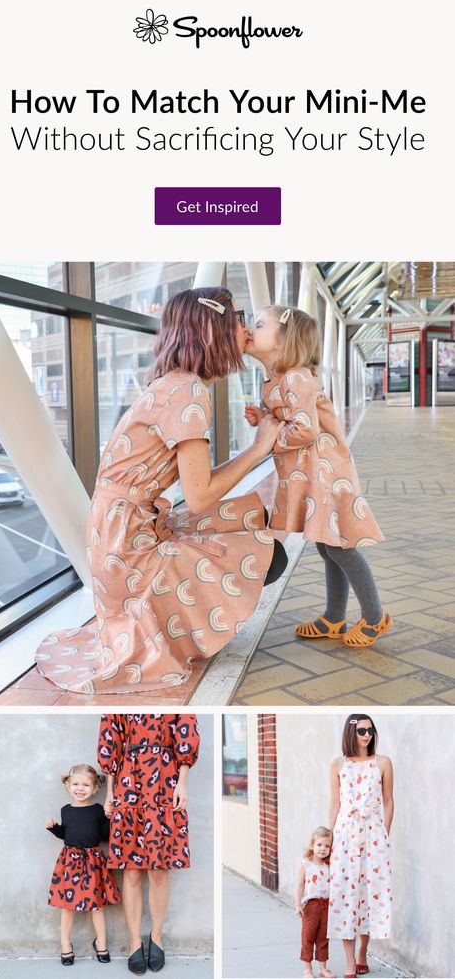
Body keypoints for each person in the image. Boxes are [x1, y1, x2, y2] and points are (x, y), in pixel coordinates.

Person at [36, 287, 287, 694]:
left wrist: (255, 448)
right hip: (129, 545)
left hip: (118, 535)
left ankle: (184, 626)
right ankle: (183, 629)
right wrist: (260, 448)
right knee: (263, 552)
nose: (244, 326)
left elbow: (197, 486)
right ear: (214, 329)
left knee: (244, 531)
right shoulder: (189, 392)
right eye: (239, 318)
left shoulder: (173, 383)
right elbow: (202, 497)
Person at [244, 305, 392, 648]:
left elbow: (305, 429)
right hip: (313, 476)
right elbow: (288, 414)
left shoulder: (296, 376)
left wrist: (270, 437)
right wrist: (264, 416)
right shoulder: (278, 379)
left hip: (327, 476)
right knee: (329, 547)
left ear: (284, 341)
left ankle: (375, 617)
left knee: (340, 547)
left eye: (260, 324)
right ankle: (334, 617)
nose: (252, 329)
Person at [98, 713, 200, 975]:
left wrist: (183, 782)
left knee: (158, 868)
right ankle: (135, 940)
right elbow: (112, 736)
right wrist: (109, 792)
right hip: (127, 780)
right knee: (131, 869)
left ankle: (157, 935)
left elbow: (186, 729)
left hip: (165, 778)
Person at [327, 714, 393, 979]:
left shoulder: (383, 762)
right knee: (345, 895)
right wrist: (330, 840)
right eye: (362, 730)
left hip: (374, 836)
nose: (367, 734)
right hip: (345, 836)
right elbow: (334, 804)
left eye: (371, 729)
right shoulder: (337, 765)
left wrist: (384, 834)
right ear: (350, 733)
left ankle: (363, 952)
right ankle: (350, 962)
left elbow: (388, 801)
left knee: (370, 895)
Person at [46, 763, 121, 966]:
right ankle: (65, 945)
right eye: (76, 784)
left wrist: (109, 818)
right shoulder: (66, 810)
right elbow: (66, 834)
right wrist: (55, 829)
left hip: (94, 861)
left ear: (95, 788)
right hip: (70, 861)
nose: (80, 788)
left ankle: (101, 943)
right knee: (67, 906)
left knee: (97, 906)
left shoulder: (97, 810)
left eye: (86, 785)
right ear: (68, 786)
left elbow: (104, 836)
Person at [295, 826, 335, 979]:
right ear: (312, 844)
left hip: (326, 905)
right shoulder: (306, 864)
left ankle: (323, 968)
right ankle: (307, 970)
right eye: (319, 845)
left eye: (327, 846)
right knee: (308, 937)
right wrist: (298, 904)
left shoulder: (329, 866)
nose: (323, 849)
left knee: (323, 937)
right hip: (310, 906)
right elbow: (299, 885)